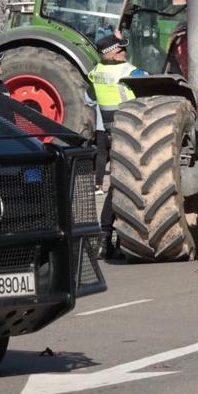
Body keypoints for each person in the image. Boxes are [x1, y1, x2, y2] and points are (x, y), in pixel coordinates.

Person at [88, 33, 145, 258]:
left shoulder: (96, 72)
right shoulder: (128, 72)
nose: (125, 53)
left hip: (111, 133)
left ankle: (105, 239)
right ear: (111, 54)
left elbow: (88, 97)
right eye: (121, 50)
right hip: (130, 132)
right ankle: (119, 239)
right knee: (126, 187)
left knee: (118, 186)